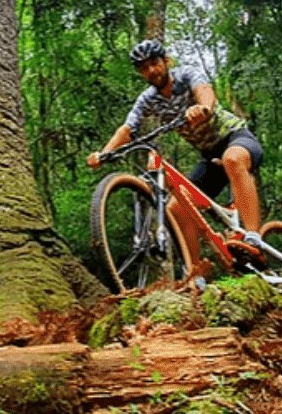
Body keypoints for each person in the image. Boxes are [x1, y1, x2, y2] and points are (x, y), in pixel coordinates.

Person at [87, 39, 264, 267]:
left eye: (154, 63)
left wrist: (203, 108)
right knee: (177, 207)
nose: (151, 70)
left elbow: (205, 92)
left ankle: (253, 237)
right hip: (209, 156)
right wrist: (103, 154)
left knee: (233, 158)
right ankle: (196, 271)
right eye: (144, 68)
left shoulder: (186, 75)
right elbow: (127, 128)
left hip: (236, 138)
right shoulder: (148, 99)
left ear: (166, 61)